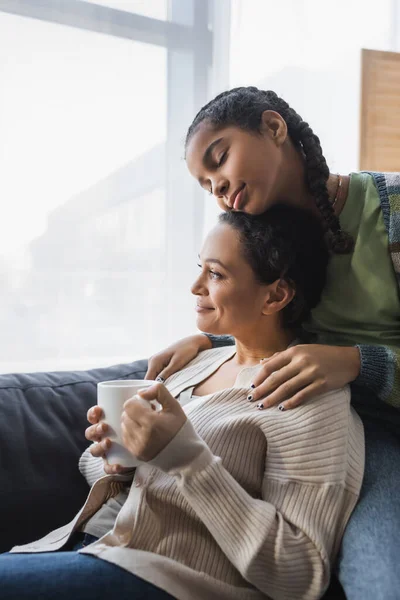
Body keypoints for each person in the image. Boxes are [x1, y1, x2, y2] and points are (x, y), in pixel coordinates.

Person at [2, 206, 364, 600]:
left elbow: (301, 574)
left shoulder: (311, 399)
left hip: (167, 578)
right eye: (200, 268)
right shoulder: (194, 362)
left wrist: (184, 457)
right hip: (84, 546)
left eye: (215, 273)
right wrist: (117, 459)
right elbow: (101, 465)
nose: (195, 286)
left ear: (275, 295)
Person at [145, 87, 400, 600]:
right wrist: (209, 338)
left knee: (380, 576)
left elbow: (336, 342)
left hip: (384, 428)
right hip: (323, 420)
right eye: (205, 183)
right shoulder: (272, 240)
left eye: (219, 159)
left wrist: (356, 362)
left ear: (274, 127)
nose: (217, 186)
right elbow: (281, 316)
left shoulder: (391, 205)